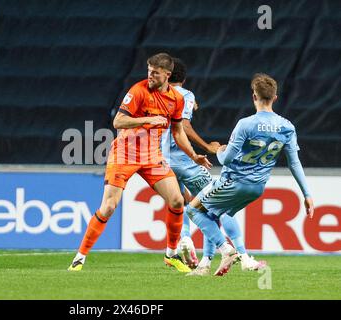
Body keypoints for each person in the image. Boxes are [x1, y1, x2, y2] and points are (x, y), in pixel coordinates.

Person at [68, 53, 212, 272]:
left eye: (155, 72)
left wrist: (194, 156)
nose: (150, 75)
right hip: (125, 154)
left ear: (167, 74)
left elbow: (178, 131)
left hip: (152, 156)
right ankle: (79, 258)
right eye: (148, 70)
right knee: (108, 207)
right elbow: (118, 121)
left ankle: (171, 255)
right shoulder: (138, 90)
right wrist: (147, 119)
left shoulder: (177, 99)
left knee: (176, 200)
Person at [187, 73, 314, 276]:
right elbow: (294, 163)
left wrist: (218, 149)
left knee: (192, 211)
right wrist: (306, 194)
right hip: (257, 188)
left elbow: (226, 159)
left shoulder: (246, 124)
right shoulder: (287, 126)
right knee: (214, 213)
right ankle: (206, 264)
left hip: (233, 181)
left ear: (254, 96)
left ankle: (228, 250)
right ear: (275, 98)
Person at [162, 58, 266, 276]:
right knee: (217, 207)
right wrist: (207, 147)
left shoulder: (156, 95)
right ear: (184, 78)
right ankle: (239, 256)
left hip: (163, 161)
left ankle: (188, 243)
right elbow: (185, 126)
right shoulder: (186, 95)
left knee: (180, 203)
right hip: (184, 161)